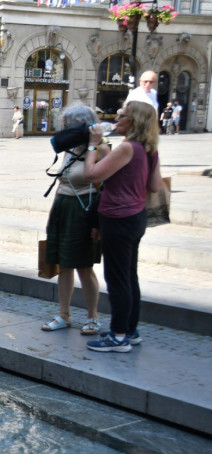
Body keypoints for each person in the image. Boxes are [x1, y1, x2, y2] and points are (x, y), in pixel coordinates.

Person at [82, 101, 161, 352]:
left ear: (134, 121)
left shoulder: (127, 147)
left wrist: (93, 145)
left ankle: (118, 336)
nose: (118, 117)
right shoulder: (149, 148)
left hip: (117, 217)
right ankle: (130, 329)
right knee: (129, 275)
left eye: (123, 115)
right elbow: (156, 186)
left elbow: (91, 174)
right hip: (136, 217)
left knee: (116, 278)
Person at [41, 105, 108, 336]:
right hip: (62, 207)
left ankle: (93, 317)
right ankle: (64, 315)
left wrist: (97, 223)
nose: (65, 130)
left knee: (84, 266)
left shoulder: (101, 149)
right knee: (64, 264)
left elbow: (107, 187)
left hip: (84, 209)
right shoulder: (70, 149)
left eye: (68, 126)